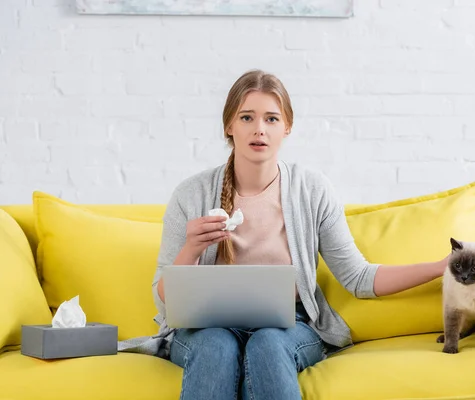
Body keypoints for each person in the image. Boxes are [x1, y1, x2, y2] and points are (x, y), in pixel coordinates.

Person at [150, 69, 449, 400]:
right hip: (206, 327)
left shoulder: (311, 190)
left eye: (272, 119)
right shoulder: (190, 195)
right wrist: (191, 248)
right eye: (247, 117)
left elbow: (359, 277)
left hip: (287, 325)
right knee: (216, 346)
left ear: (287, 127)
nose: (259, 129)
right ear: (229, 127)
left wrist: (439, 267)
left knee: (267, 344)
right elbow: (164, 297)